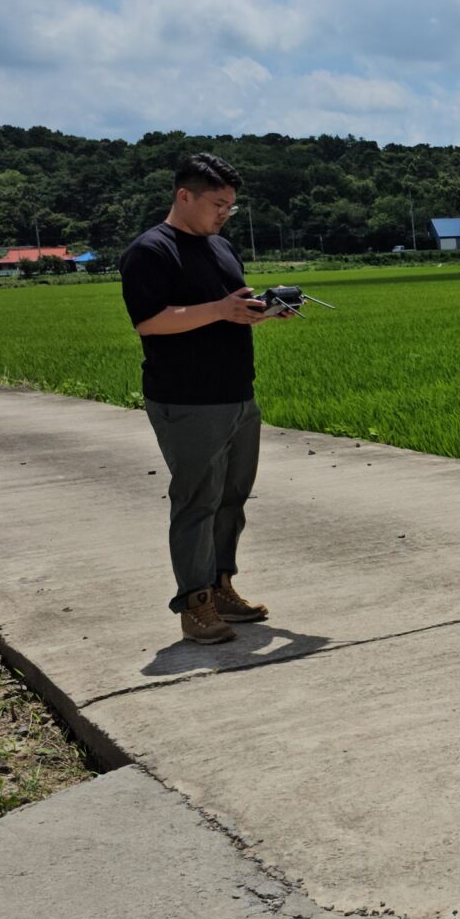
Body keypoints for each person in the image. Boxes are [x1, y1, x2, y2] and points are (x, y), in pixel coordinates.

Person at [118, 153, 292, 645]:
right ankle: (193, 603)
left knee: (232, 498)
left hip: (237, 393)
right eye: (218, 203)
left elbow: (227, 310)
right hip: (187, 399)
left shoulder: (220, 248)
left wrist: (259, 312)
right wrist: (219, 308)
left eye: (231, 206)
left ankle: (221, 586)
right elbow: (150, 321)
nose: (224, 214)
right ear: (184, 195)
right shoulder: (151, 251)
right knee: (197, 500)